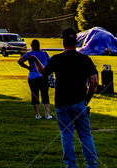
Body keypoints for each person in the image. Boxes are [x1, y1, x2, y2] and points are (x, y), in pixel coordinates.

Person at [41, 29, 99, 168]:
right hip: (79, 101)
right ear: (76, 42)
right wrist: (87, 99)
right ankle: (91, 164)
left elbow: (44, 72)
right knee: (85, 134)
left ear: (63, 42)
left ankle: (70, 165)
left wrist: (35, 60)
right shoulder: (85, 59)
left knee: (66, 134)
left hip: (62, 102)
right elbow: (94, 82)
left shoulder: (56, 59)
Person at [18, 39, 52, 120]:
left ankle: (37, 115)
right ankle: (47, 114)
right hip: (43, 76)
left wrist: (28, 67)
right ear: (39, 45)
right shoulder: (44, 53)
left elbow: (20, 61)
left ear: (32, 46)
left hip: (32, 77)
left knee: (35, 95)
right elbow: (49, 63)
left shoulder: (29, 54)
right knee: (45, 95)